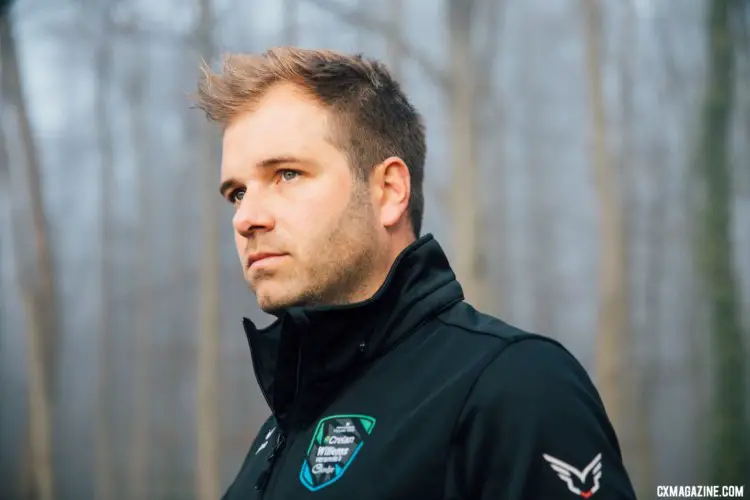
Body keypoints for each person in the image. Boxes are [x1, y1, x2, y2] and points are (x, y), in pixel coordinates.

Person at [194, 47, 637, 500]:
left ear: (389, 191)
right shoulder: (279, 432)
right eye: (237, 193)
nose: (245, 217)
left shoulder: (515, 388)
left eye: (287, 174)